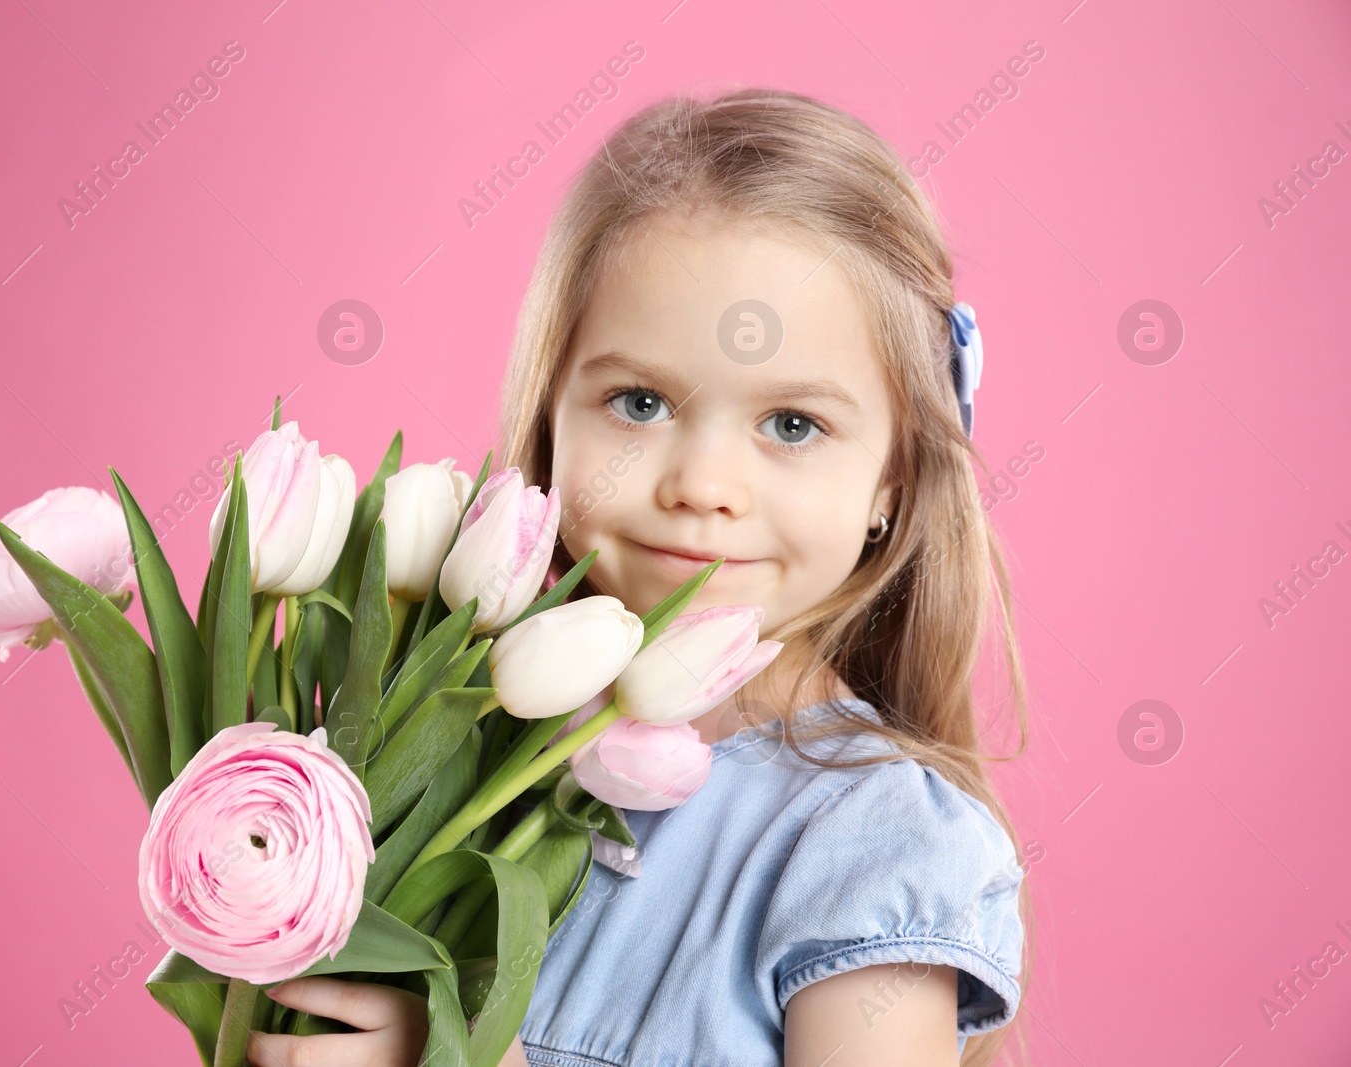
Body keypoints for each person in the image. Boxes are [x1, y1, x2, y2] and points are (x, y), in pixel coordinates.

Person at [247, 87, 1033, 1067]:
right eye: (639, 400)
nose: (701, 484)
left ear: (894, 479)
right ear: (549, 420)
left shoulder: (867, 841)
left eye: (791, 424)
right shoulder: (460, 756)